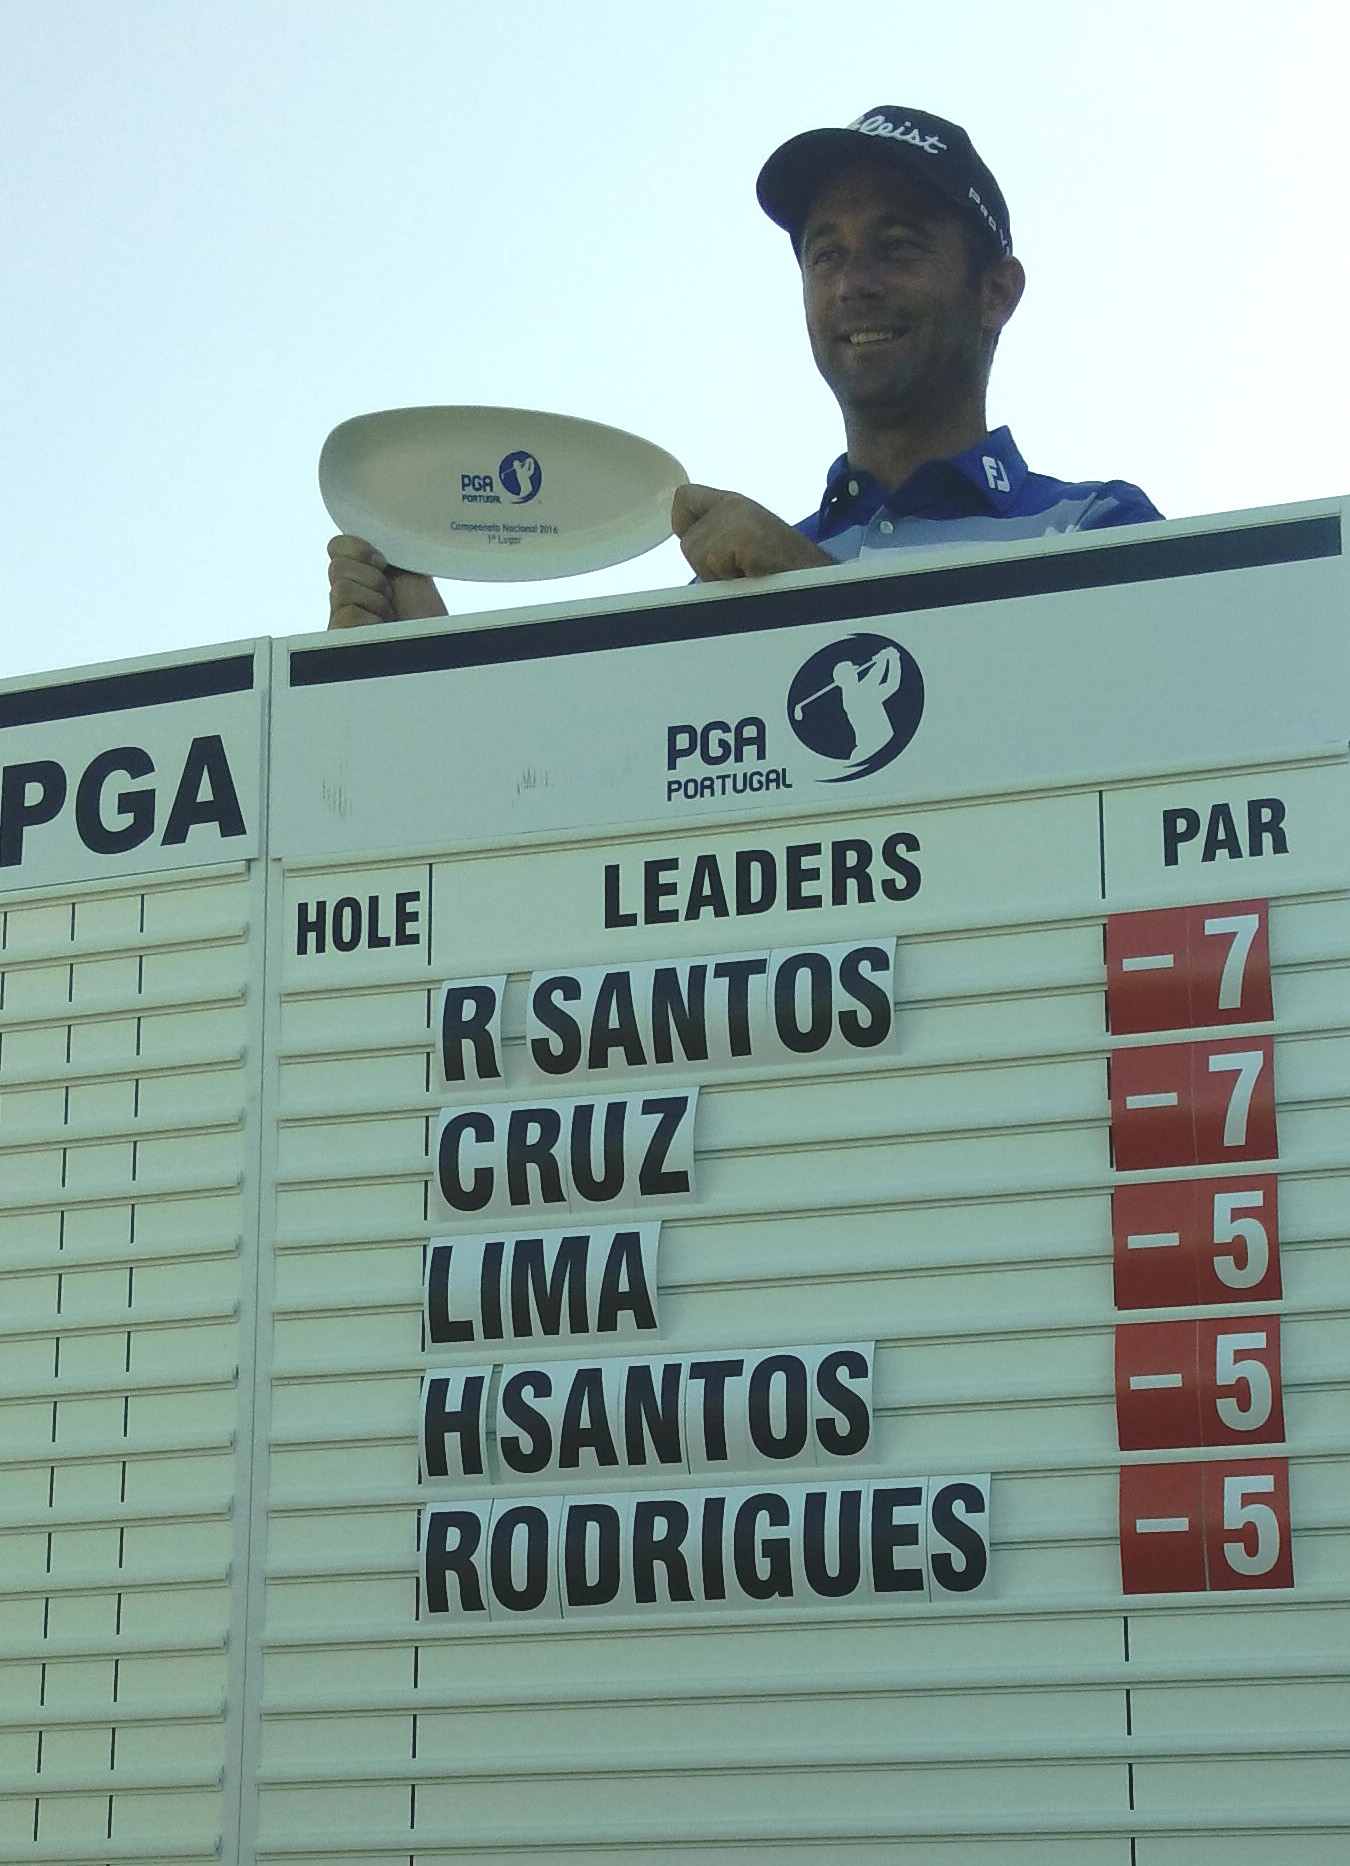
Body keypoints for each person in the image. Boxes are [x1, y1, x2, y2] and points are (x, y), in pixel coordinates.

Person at [327, 104, 1159, 625]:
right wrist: (411, 667)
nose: (853, 285)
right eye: (825, 257)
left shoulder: (1094, 528)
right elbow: (591, 831)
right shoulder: (727, 588)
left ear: (995, 293)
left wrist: (814, 590)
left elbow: (1148, 739)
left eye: (897, 248)